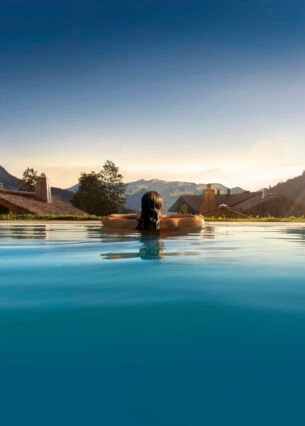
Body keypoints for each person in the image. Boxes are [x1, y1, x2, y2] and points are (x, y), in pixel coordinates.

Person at [102, 191, 204, 232]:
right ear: (161, 208)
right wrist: (167, 216)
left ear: (142, 208)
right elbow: (199, 220)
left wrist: (136, 216)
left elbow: (107, 218)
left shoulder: (132, 224)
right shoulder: (169, 223)